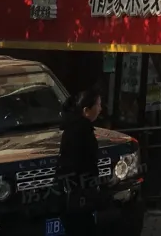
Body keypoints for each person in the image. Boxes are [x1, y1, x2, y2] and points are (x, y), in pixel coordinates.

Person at [58, 88, 103, 236]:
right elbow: (82, 162)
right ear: (86, 110)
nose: (100, 109)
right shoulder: (81, 130)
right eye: (98, 105)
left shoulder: (74, 127)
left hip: (75, 192)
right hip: (79, 193)